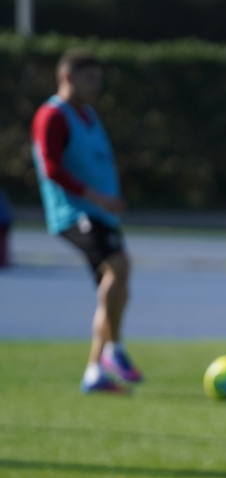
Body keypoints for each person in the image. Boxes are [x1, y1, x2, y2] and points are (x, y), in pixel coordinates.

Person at [31, 49, 142, 394]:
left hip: (101, 213)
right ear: (68, 78)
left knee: (115, 287)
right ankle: (111, 351)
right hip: (74, 213)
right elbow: (51, 168)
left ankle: (97, 368)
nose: (97, 85)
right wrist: (97, 198)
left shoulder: (89, 114)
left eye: (99, 78)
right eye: (89, 78)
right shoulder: (53, 115)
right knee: (118, 268)